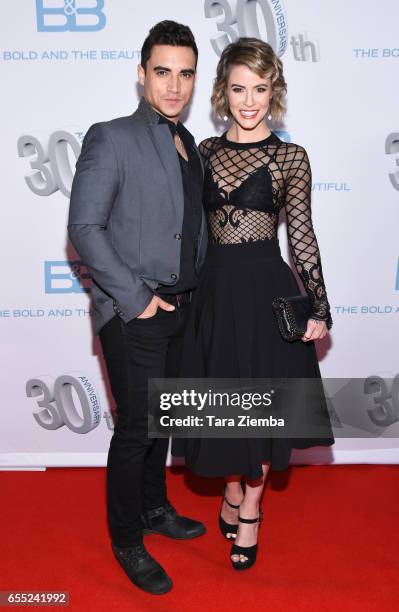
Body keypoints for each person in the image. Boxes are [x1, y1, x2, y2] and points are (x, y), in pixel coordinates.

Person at [172, 38, 335, 571]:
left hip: (267, 292)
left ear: (274, 91)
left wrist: (319, 307)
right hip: (214, 292)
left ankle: (252, 513)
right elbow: (187, 230)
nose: (249, 101)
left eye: (260, 89)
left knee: (264, 409)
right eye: (239, 88)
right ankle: (231, 488)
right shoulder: (205, 153)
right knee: (223, 404)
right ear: (223, 90)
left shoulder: (291, 157)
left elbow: (303, 236)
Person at [68, 21, 208, 595]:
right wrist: (137, 301)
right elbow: (84, 227)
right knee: (136, 430)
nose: (174, 86)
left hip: (182, 308)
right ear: (141, 73)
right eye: (162, 72)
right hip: (136, 312)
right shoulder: (112, 136)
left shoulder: (188, 141)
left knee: (164, 422)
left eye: (185, 73)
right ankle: (127, 537)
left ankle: (155, 509)